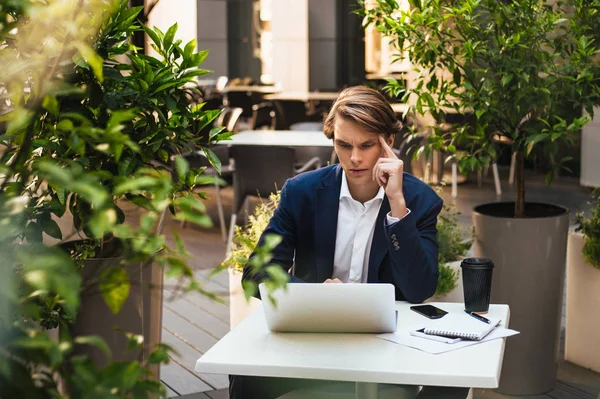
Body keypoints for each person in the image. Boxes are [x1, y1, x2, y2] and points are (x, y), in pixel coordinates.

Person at [230, 86, 466, 399]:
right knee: (244, 374)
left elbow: (419, 288)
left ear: (388, 143)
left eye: (367, 145)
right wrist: (316, 296)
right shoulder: (301, 192)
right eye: (344, 145)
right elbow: (255, 274)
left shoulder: (419, 201)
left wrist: (397, 204)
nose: (354, 158)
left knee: (453, 383)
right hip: (315, 340)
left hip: (386, 348)